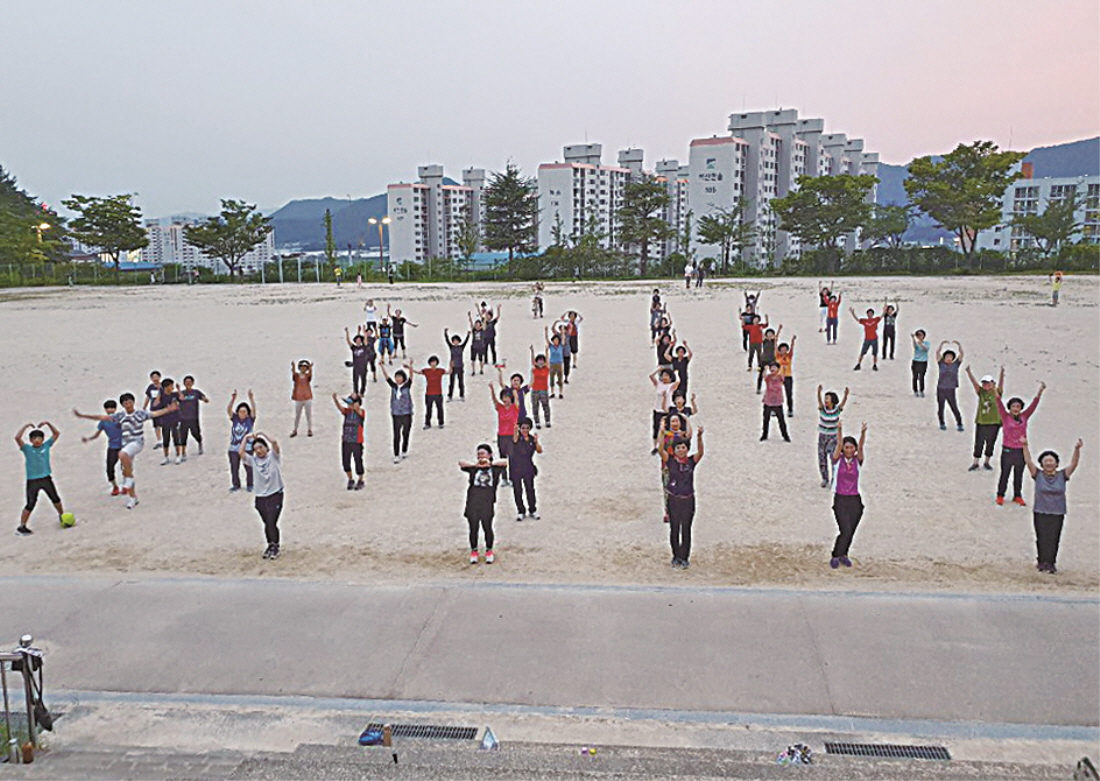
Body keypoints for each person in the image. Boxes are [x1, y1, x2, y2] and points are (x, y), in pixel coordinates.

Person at [73, 392, 177, 509]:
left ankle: (127, 481)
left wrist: (168, 410)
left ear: (133, 402)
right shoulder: (120, 416)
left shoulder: (140, 413)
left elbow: (155, 413)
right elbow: (102, 417)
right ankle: (133, 498)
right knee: (126, 471)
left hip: (136, 443)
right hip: (125, 444)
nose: (128, 404)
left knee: (122, 454)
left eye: (129, 401)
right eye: (125, 402)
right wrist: (83, 416)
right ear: (122, 405)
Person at [1022, 436, 1083, 574]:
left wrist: (1077, 449)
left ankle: (1051, 562)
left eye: (1051, 461)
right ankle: (1042, 561)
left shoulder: (1062, 475)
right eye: (1046, 461)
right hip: (1040, 511)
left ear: (1056, 463)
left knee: (1054, 537)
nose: (1049, 463)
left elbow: (1074, 464)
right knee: (1041, 537)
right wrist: (1025, 446)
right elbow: (1028, 461)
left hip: (1058, 511)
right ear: (1042, 464)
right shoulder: (1037, 474)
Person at [995, 382, 1046, 506]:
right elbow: (998, 402)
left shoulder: (1024, 416)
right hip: (1007, 449)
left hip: (1020, 450)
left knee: (1019, 474)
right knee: (1005, 473)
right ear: (1010, 407)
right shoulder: (1005, 416)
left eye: (1018, 406)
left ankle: (1017, 495)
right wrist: (994, 390)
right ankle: (1000, 495)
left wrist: (1039, 392)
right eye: (1013, 406)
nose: (1016, 408)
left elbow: (1033, 406)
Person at [662, 426, 704, 569]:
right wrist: (662, 433)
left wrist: (699, 437)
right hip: (674, 500)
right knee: (674, 529)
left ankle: (684, 557)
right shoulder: (670, 461)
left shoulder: (691, 461)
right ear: (674, 451)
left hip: (688, 500)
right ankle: (675, 556)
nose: (681, 450)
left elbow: (701, 452)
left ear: (687, 449)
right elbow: (661, 450)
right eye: (678, 448)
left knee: (686, 529)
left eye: (683, 447)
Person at [460, 444, 508, 565]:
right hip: (472, 502)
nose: (480, 456)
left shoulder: (495, 469)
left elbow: (506, 462)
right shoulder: (474, 469)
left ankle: (489, 551)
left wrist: (489, 464)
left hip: (487, 503)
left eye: (483, 453)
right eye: (479, 454)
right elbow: (461, 463)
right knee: (473, 528)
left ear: (490, 455)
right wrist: (476, 465)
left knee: (487, 527)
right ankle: (474, 551)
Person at [15, 422, 66, 535]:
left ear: (43, 439)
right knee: (30, 503)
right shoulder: (27, 449)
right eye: (34, 438)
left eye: (39, 438)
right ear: (31, 440)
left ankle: (62, 516)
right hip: (33, 481)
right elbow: (17, 438)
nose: (37, 440)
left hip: (46, 478)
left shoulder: (46, 445)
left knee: (55, 499)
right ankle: (22, 526)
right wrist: (25, 426)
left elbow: (56, 433)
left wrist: (48, 424)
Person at [829, 421, 867, 569]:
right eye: (847, 447)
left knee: (851, 530)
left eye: (852, 447)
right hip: (840, 498)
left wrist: (863, 433)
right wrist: (839, 430)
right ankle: (835, 554)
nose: (849, 450)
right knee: (844, 529)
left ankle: (844, 554)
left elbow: (862, 446)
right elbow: (838, 445)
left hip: (855, 499)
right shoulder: (838, 460)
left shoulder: (858, 461)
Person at [241, 432, 283, 559]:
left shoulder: (273, 456)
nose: (259, 451)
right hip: (260, 496)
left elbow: (274, 442)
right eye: (256, 449)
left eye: (261, 447)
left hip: (275, 493)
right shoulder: (253, 460)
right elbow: (241, 453)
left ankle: (275, 546)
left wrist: (262, 434)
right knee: (267, 523)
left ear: (266, 448)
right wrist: (245, 438)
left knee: (271, 521)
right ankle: (270, 545)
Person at [81, 399, 123, 495]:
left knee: (125, 467)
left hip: (124, 445)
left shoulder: (120, 419)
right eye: (108, 408)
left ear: (115, 409)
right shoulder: (103, 422)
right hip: (113, 446)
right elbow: (97, 434)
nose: (110, 410)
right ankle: (115, 486)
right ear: (105, 409)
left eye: (112, 408)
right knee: (109, 468)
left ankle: (126, 486)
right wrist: (88, 439)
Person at [967, 366, 1004, 472]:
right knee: (979, 442)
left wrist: (1002, 373)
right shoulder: (981, 392)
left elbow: (1001, 384)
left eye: (988, 383)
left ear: (993, 383)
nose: (986, 385)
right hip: (981, 421)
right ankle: (975, 463)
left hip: (994, 422)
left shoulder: (997, 392)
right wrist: (969, 372)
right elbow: (974, 383)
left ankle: (987, 462)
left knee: (990, 442)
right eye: (984, 383)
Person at [510, 417, 542, 521]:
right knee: (518, 490)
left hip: (528, 466)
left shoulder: (532, 439)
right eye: (523, 428)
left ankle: (532, 509)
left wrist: (537, 442)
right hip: (516, 467)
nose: (525, 430)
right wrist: (515, 429)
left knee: (530, 489)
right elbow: (514, 439)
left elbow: (539, 451)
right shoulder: (517, 438)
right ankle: (521, 511)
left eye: (527, 428)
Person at [816, 385, 849, 488]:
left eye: (827, 398)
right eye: (825, 398)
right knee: (822, 459)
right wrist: (818, 392)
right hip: (822, 437)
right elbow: (819, 402)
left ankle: (834, 479)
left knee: (833, 459)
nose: (825, 400)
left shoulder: (836, 410)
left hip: (833, 438)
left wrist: (846, 395)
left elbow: (843, 404)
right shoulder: (822, 409)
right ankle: (825, 479)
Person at [331, 392, 365, 490]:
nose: (349, 405)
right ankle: (350, 479)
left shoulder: (361, 412)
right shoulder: (347, 412)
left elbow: (358, 410)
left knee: (358, 461)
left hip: (357, 441)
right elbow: (340, 408)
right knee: (346, 462)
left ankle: (360, 479)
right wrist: (335, 400)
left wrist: (355, 402)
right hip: (346, 441)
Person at [381, 363, 413, 463]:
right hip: (396, 413)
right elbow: (387, 378)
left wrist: (410, 366)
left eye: (400, 377)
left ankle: (404, 450)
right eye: (396, 377)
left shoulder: (407, 385)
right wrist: (382, 367)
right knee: (396, 434)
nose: (398, 379)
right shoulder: (394, 386)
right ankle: (396, 454)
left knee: (406, 433)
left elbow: (411, 377)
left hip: (407, 412)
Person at [489, 382, 519, 486]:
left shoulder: (515, 408)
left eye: (507, 397)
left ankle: (512, 478)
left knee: (512, 457)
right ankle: (504, 478)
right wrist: (492, 390)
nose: (505, 399)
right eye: (503, 397)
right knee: (502, 457)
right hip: (501, 435)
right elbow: (494, 400)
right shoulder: (500, 408)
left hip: (512, 435)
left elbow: (517, 399)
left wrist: (514, 391)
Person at [226, 390, 256, 492]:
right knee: (234, 467)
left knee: (248, 467)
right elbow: (229, 410)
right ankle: (236, 484)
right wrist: (233, 399)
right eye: (240, 411)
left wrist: (251, 399)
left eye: (244, 411)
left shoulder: (250, 420)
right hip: (234, 447)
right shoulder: (235, 419)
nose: (242, 413)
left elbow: (254, 410)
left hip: (247, 447)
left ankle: (250, 484)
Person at [935, 340, 965, 432]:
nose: (949, 358)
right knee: (941, 407)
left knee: (954, 407)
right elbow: (937, 353)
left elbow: (962, 354)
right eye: (947, 356)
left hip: (951, 389)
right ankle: (942, 423)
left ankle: (959, 423)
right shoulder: (941, 364)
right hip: (941, 388)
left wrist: (959, 345)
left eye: (950, 357)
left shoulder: (955, 365)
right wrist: (941, 344)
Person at [411, 355, 448, 429]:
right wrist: (410, 367)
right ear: (429, 363)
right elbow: (417, 372)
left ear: (437, 363)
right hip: (429, 393)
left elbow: (449, 372)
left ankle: (441, 422)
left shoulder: (440, 370)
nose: (433, 363)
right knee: (428, 409)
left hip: (438, 393)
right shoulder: (426, 371)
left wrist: (451, 365)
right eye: (432, 362)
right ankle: (427, 423)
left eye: (434, 362)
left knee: (440, 408)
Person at [152, 377, 182, 465]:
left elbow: (182, 399)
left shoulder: (174, 395)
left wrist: (179, 390)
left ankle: (178, 455)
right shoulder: (161, 396)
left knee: (176, 437)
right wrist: (159, 395)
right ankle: (166, 457)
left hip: (175, 418)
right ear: (166, 387)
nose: (172, 387)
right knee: (166, 439)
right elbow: (155, 405)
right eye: (171, 385)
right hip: (165, 420)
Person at [177, 375, 209, 459]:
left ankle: (200, 443)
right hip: (183, 418)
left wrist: (205, 399)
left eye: (190, 382)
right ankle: (183, 453)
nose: (188, 384)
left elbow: (203, 398)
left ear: (193, 383)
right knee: (183, 435)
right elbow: (177, 400)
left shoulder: (196, 392)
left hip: (193, 418)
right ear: (184, 383)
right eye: (186, 382)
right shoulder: (181, 393)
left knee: (195, 433)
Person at [650, 368, 680, 455]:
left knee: (667, 429)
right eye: (663, 375)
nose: (664, 377)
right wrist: (658, 370)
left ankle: (667, 446)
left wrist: (676, 373)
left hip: (667, 410)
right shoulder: (659, 384)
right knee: (656, 428)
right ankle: (655, 447)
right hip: (657, 409)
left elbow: (678, 382)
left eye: (666, 375)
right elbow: (651, 376)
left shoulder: (670, 386)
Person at [760, 362, 791, 442]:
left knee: (781, 420)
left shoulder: (780, 377)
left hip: (777, 401)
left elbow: (783, 376)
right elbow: (764, 376)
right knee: (766, 419)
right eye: (771, 367)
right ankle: (764, 435)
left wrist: (783, 369)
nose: (773, 369)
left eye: (774, 367)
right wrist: (765, 369)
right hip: (768, 400)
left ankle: (785, 435)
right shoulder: (768, 377)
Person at [850, 306, 881, 371]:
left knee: (874, 353)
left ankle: (874, 365)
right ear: (867, 314)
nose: (870, 314)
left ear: (873, 314)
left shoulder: (875, 320)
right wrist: (853, 313)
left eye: (871, 313)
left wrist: (884, 310)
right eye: (868, 313)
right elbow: (857, 320)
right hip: (867, 339)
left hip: (874, 339)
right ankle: (858, 364)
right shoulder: (864, 321)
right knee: (862, 352)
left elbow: (882, 316)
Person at [443, 327, 470, 401]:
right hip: (453, 367)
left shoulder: (461, 347)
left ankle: (462, 395)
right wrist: (445, 333)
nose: (455, 342)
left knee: (461, 382)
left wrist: (468, 335)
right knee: (451, 382)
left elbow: (466, 342)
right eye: (454, 341)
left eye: (457, 341)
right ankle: (450, 395)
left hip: (460, 366)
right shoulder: (451, 347)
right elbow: (447, 341)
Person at [528, 347, 551, 429]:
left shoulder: (546, 369)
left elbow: (548, 361)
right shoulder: (534, 369)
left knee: (546, 406)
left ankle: (547, 421)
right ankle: (537, 422)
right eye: (539, 360)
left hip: (544, 390)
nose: (540, 362)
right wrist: (532, 352)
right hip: (535, 390)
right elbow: (532, 362)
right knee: (535, 407)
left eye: (542, 360)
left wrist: (546, 351)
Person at [290, 360, 313, 437]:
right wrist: (293, 367)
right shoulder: (297, 376)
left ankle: (309, 429)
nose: (303, 369)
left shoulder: (307, 376)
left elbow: (310, 375)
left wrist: (310, 368)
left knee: (308, 415)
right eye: (302, 367)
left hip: (307, 398)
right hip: (298, 398)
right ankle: (295, 429)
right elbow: (293, 375)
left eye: (305, 367)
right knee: (297, 415)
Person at [756, 325, 782, 394]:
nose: (770, 335)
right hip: (764, 359)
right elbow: (762, 335)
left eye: (771, 334)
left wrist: (779, 329)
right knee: (761, 374)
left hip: (772, 360)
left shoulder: (774, 341)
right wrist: (761, 330)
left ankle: (773, 387)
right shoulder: (765, 341)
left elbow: (777, 336)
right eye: (768, 334)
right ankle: (758, 388)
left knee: (773, 374)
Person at [776, 335, 797, 416]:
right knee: (777, 393)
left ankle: (790, 409)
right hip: (779, 377)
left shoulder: (789, 356)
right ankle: (776, 409)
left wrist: (792, 341)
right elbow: (775, 345)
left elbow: (792, 349)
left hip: (788, 376)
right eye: (782, 349)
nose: (783, 351)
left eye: (785, 349)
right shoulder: (777, 356)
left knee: (789, 394)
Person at [346, 327, 371, 395]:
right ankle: (356, 392)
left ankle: (362, 392)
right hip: (356, 366)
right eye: (357, 340)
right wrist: (347, 332)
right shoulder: (354, 348)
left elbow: (366, 340)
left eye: (359, 340)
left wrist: (364, 332)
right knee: (355, 381)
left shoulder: (364, 347)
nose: (358, 341)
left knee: (363, 381)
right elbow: (348, 341)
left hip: (363, 366)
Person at [545, 327, 565, 398]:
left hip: (559, 363)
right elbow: (547, 340)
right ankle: (552, 392)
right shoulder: (551, 346)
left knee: (560, 378)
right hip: (552, 363)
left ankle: (560, 392)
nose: (556, 341)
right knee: (552, 378)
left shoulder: (560, 346)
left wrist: (562, 332)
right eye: (554, 340)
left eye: (557, 340)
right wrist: (546, 332)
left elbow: (563, 339)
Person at [911, 329, 929, 397]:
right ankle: (915, 390)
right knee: (915, 376)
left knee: (922, 377)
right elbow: (915, 347)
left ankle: (921, 390)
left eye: (920, 335)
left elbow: (925, 349)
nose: (919, 336)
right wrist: (913, 338)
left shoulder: (927, 343)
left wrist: (921, 343)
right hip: (916, 361)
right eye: (918, 335)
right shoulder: (917, 343)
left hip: (923, 362)